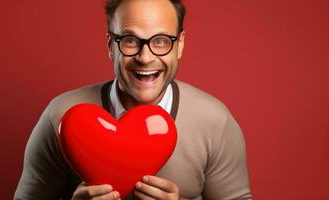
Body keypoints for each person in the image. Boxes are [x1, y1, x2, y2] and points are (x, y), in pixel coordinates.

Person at [14, 0, 252, 199]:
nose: (145, 57)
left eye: (161, 41)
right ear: (110, 46)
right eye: (130, 40)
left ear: (179, 45)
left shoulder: (215, 122)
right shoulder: (61, 116)